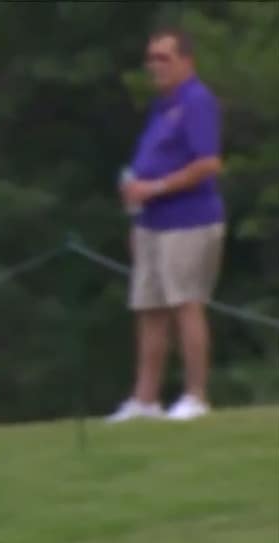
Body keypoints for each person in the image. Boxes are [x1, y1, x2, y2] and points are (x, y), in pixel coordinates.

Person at [110, 25, 225, 423]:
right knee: (149, 308)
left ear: (186, 61)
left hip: (188, 220)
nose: (155, 66)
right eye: (151, 58)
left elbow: (207, 163)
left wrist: (156, 187)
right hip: (151, 223)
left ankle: (195, 396)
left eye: (164, 58)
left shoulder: (197, 101)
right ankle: (145, 400)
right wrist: (137, 200)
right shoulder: (163, 105)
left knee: (186, 304)